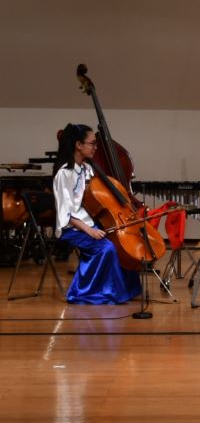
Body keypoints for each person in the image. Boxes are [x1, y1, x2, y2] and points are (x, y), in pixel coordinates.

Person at [52, 123, 141, 304]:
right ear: (78, 145)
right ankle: (82, 292)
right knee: (105, 249)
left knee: (122, 245)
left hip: (90, 223)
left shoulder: (87, 169)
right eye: (92, 143)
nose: (95, 147)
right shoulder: (64, 174)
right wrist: (90, 230)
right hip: (73, 228)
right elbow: (66, 214)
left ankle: (126, 290)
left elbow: (99, 198)